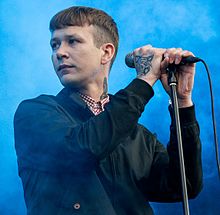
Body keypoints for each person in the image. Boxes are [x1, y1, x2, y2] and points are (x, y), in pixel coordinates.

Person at [14, 6, 203, 215]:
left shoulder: (136, 134)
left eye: (72, 41)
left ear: (106, 52)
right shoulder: (35, 113)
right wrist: (144, 81)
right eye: (54, 44)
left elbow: (185, 185)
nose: (60, 52)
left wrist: (182, 102)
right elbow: (82, 149)